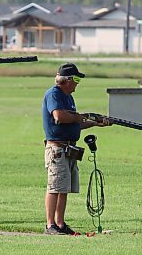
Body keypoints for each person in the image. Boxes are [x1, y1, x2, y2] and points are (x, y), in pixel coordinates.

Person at [42, 62, 111, 235]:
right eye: (77, 79)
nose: (78, 83)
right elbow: (59, 116)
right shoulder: (54, 94)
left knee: (63, 188)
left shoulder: (69, 98)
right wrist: (80, 117)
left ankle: (60, 223)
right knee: (55, 187)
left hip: (69, 149)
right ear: (67, 80)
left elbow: (75, 124)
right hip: (57, 150)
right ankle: (50, 225)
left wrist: (95, 123)